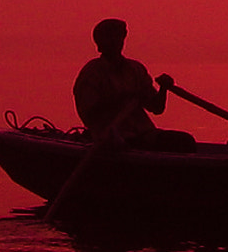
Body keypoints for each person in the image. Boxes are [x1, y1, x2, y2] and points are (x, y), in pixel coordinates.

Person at [73, 18, 196, 152]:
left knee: (185, 141)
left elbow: (157, 107)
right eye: (110, 38)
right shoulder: (92, 73)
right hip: (109, 138)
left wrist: (163, 88)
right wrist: (122, 99)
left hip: (144, 134)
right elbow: (89, 112)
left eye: (118, 37)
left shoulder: (135, 69)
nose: (115, 42)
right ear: (100, 44)